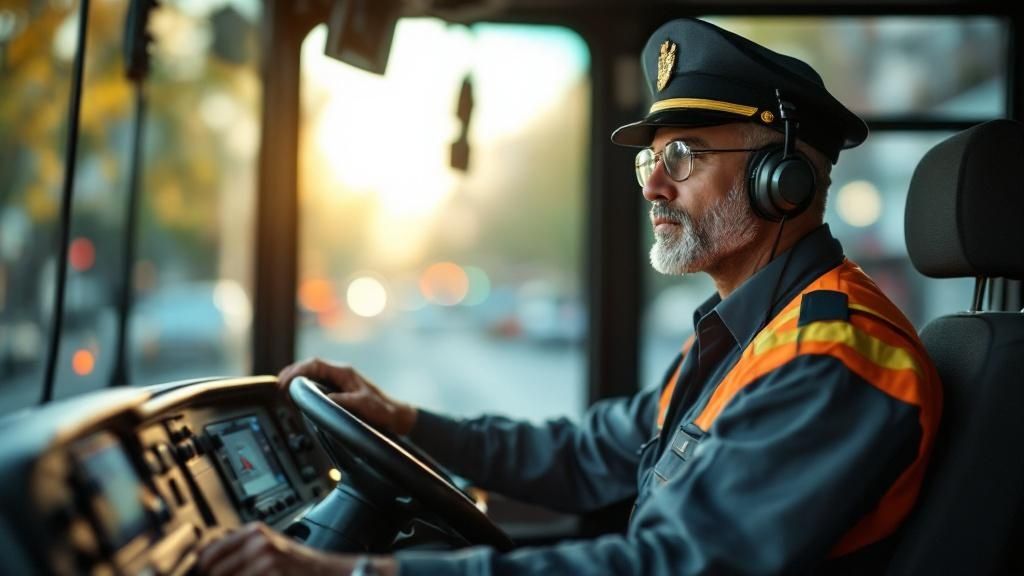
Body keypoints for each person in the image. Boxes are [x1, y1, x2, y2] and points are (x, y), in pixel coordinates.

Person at [197, 17, 942, 576]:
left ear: (783, 178)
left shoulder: (835, 357)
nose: (652, 182)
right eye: (652, 157)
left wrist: (359, 571)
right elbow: (584, 452)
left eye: (683, 154)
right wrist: (405, 422)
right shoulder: (744, 336)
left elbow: (669, 567)